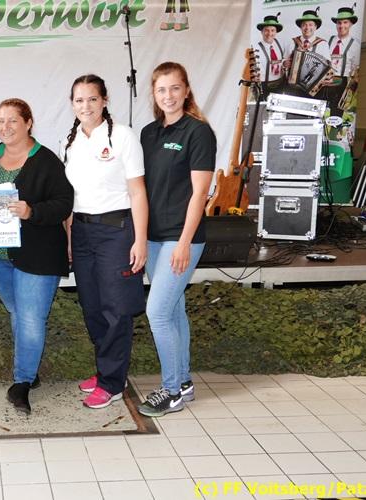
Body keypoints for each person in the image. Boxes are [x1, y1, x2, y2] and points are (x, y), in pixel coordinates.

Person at [0, 98, 74, 414]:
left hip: (39, 253)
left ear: (28, 123)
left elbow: (64, 203)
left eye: (12, 120)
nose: (5, 127)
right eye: (0, 120)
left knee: (30, 318)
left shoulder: (46, 161)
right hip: (0, 256)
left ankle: (21, 383)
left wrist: (32, 211)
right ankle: (30, 371)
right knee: (20, 314)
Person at [61, 75, 148, 409]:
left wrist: (140, 240)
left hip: (117, 231)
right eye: (79, 100)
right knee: (92, 306)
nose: (86, 106)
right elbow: (72, 198)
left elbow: (138, 192)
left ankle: (112, 382)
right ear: (72, 104)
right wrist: (70, 238)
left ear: (105, 100)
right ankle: (106, 371)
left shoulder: (123, 136)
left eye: (92, 99)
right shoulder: (68, 142)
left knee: (116, 308)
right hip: (82, 231)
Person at [138, 62, 216, 417]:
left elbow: (200, 194)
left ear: (186, 90)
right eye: (161, 89)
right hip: (153, 238)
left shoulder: (198, 132)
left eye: (174, 88)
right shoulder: (148, 133)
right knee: (173, 310)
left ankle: (170, 391)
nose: (168, 95)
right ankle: (183, 382)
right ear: (153, 94)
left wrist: (184, 242)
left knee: (156, 312)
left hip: (181, 238)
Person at [327, 6, 360, 116]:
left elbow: (356, 71)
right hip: (326, 82)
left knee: (336, 116)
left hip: (342, 84)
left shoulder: (355, 45)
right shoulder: (329, 41)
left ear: (350, 24)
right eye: (339, 23)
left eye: (345, 22)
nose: (342, 26)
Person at [256, 14, 286, 100]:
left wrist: (284, 63)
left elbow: (283, 60)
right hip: (264, 86)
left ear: (276, 32)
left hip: (280, 85)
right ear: (262, 32)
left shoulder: (281, 44)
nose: (270, 33)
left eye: (272, 30)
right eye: (266, 30)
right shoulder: (256, 48)